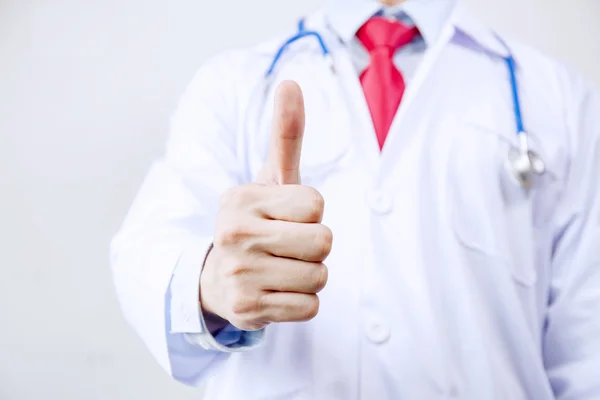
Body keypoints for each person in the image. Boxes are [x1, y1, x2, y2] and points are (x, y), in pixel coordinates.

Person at [110, 0, 600, 398]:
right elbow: (149, 245)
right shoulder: (234, 84)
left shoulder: (557, 97)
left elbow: (588, 349)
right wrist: (211, 281)